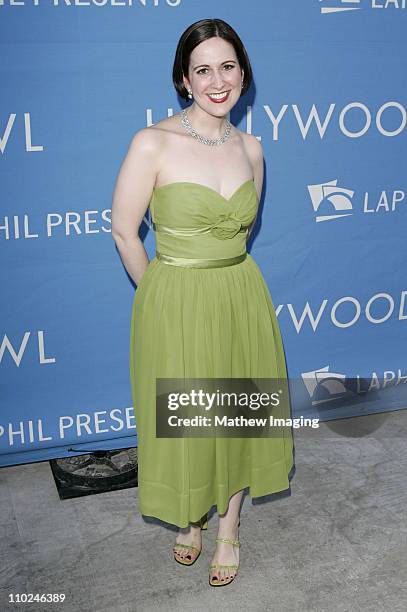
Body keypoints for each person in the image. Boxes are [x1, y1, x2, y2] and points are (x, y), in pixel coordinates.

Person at [111, 18, 294, 587]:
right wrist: (162, 298)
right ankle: (190, 519)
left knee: (238, 414)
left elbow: (242, 230)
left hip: (240, 291)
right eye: (203, 69)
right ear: (184, 80)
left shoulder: (254, 149)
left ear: (244, 73)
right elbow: (123, 231)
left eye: (229, 66)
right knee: (188, 418)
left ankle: (230, 527)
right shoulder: (153, 142)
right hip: (176, 297)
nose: (218, 80)